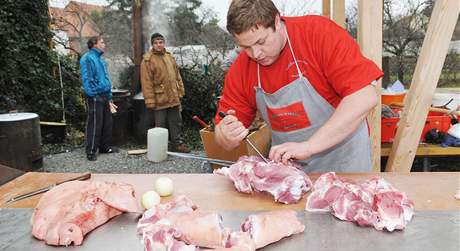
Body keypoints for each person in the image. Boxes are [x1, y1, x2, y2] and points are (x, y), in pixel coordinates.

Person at [214, 0, 383, 172]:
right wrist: (226, 135)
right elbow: (221, 136)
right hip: (291, 176)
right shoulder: (242, 68)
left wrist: (309, 146)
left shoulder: (318, 33)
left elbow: (364, 96)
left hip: (346, 165)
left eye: (261, 42)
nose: (256, 54)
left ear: (277, 21)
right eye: (245, 47)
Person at [140, 33, 190, 153]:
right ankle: (160, 149)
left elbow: (177, 76)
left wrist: (180, 90)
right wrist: (150, 101)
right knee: (160, 126)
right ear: (152, 44)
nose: (159, 45)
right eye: (156, 43)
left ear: (164, 43)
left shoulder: (169, 57)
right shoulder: (147, 60)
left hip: (173, 97)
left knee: (176, 122)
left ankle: (177, 145)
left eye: (161, 42)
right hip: (159, 98)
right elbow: (146, 83)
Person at [80, 36, 118, 161]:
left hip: (104, 96)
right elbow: (87, 79)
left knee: (107, 123)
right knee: (95, 124)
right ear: (94, 44)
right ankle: (91, 150)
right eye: (102, 42)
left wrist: (109, 96)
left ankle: (104, 147)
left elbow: (106, 79)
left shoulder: (101, 60)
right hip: (95, 96)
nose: (104, 44)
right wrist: (93, 94)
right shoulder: (87, 58)